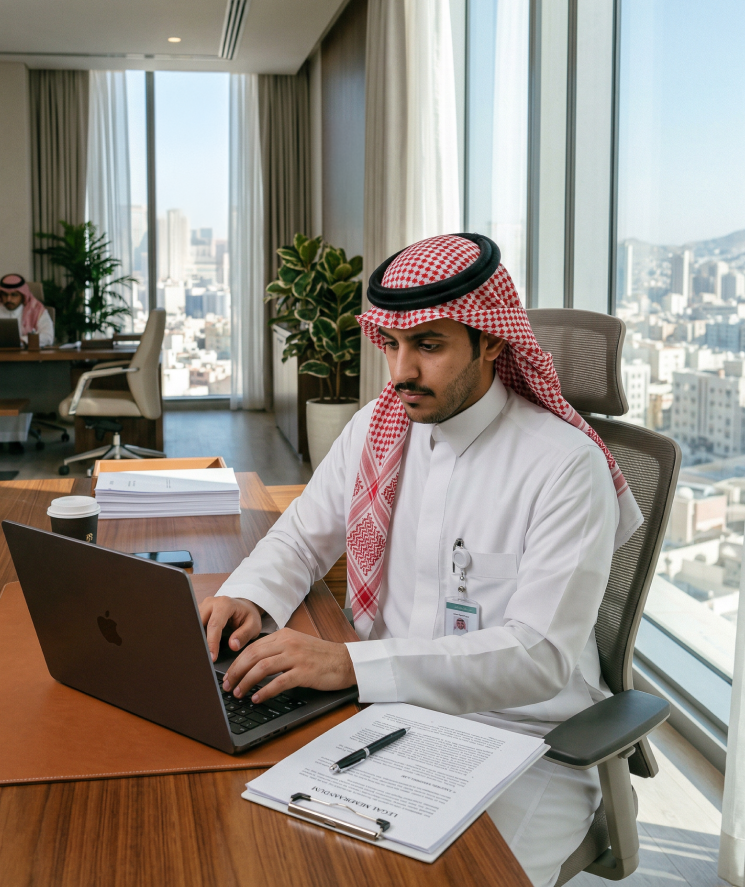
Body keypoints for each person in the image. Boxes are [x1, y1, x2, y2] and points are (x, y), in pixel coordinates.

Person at [199, 234, 643, 887]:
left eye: (428, 345)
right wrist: (250, 597)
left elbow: (538, 657)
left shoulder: (562, 466)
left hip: (529, 748)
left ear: (491, 341)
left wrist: (346, 663)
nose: (401, 371)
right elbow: (299, 540)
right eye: (391, 344)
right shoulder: (375, 430)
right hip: (381, 719)